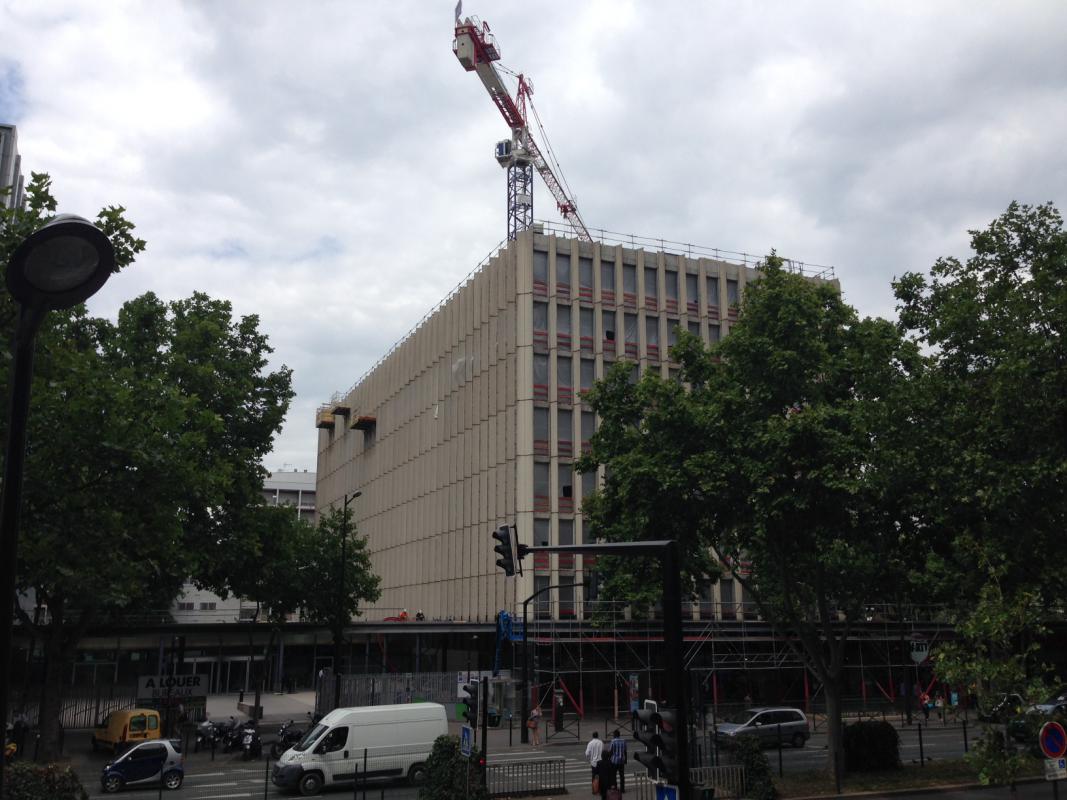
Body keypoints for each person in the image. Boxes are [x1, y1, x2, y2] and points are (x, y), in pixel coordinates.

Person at [609, 728, 628, 792]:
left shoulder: (613, 741)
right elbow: (625, 751)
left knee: (613, 775)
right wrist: (626, 760)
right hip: (622, 761)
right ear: (619, 735)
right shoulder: (623, 741)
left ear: (614, 735)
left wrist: (609, 759)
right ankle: (622, 789)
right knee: (622, 776)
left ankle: (615, 788)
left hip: (614, 761)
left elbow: (611, 751)